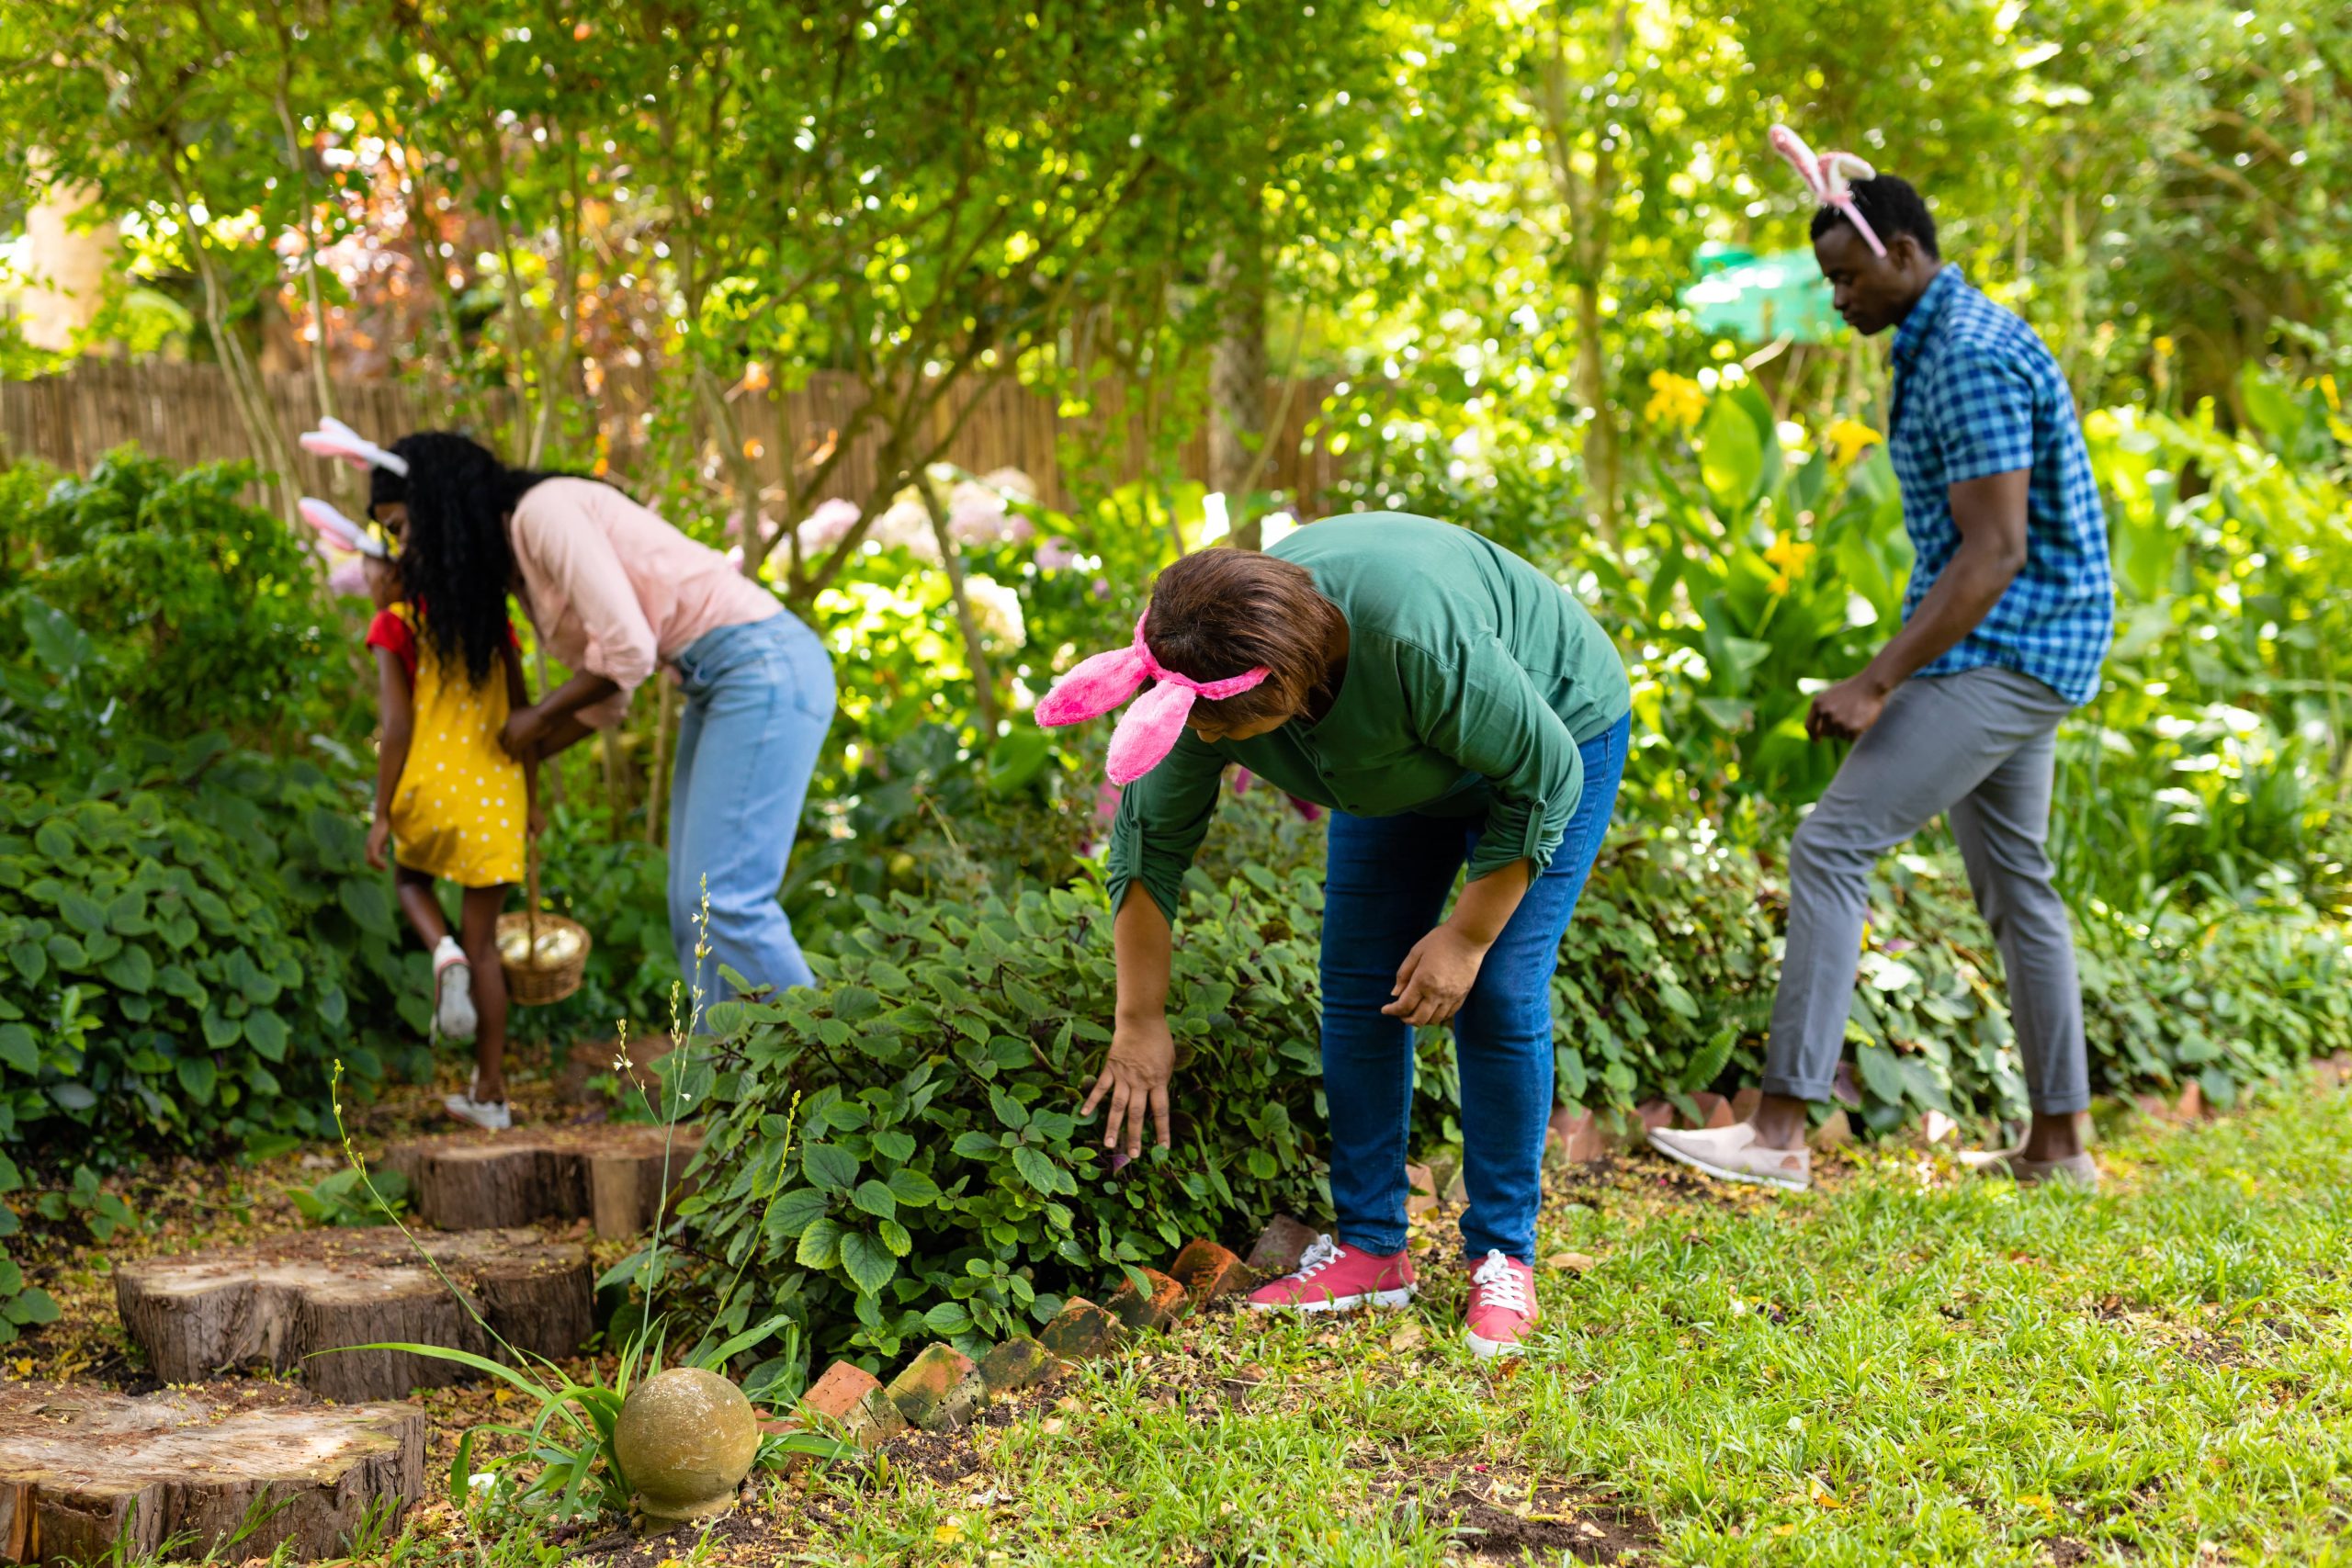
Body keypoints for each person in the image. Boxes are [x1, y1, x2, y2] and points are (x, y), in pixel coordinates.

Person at [1040, 515, 1632, 1359]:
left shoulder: (1418, 644)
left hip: (1555, 730)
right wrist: (1140, 1019)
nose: (1204, 739)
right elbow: (1148, 849)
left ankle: (1503, 1251)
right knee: (1361, 984)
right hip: (1396, 770)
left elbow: (1544, 780)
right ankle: (1372, 1250)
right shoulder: (1199, 676)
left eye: (1222, 728)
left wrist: (1464, 936)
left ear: (1284, 691)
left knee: (1497, 986)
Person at [1648, 157, 2113, 1193]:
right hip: (2034, 642)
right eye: (1827, 279)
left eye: (1847, 276)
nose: (1837, 295)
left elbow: (1990, 552)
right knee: (2017, 890)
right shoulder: (1945, 338)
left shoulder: (1970, 357)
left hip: (2008, 645)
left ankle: (1775, 1133)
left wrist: (1876, 681)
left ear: (1903, 253)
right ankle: (2060, 1147)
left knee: (1829, 846)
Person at [369, 433, 837, 1006]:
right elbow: (607, 698)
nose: (405, 547)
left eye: (401, 527)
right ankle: (732, 1079)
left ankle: (824, 1066)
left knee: (729, 903)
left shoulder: (544, 513)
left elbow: (631, 651)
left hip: (761, 668)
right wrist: (501, 765)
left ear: (439, 505)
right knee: (697, 906)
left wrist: (537, 717)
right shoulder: (520, 567)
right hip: (717, 682)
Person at [360, 521, 537, 1131]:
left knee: (411, 881)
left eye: (369, 568)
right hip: (496, 795)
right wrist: (533, 802)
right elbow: (525, 712)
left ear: (394, 571)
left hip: (431, 792)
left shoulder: (396, 624)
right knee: (487, 945)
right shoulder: (490, 621)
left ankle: (441, 951)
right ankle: (490, 1094)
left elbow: (396, 725)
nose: (366, 579)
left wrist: (381, 812)